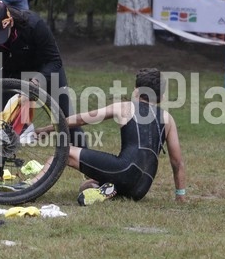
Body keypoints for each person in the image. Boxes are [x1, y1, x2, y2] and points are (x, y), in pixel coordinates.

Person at [0, 0, 85, 186]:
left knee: (68, 120)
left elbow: (55, 60)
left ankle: (91, 172)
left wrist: (36, 81)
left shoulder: (34, 25)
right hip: (9, 69)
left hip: (44, 68)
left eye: (0, 35)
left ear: (10, 22)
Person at [31, 68, 187, 206]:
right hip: (141, 188)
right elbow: (177, 162)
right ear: (162, 97)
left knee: (64, 152)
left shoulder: (125, 106)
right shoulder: (168, 119)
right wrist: (180, 195)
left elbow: (81, 119)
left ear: (136, 91)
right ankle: (109, 190)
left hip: (124, 169)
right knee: (86, 186)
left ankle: (30, 187)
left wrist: (47, 129)